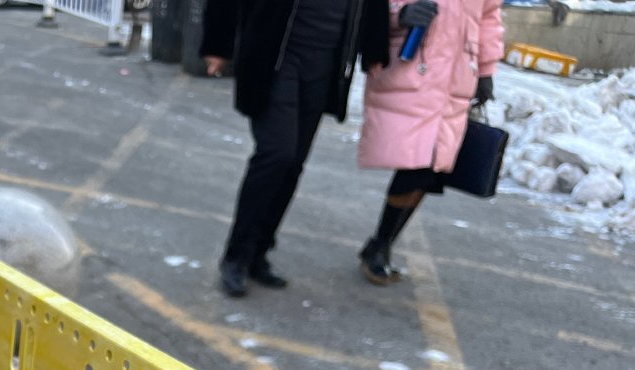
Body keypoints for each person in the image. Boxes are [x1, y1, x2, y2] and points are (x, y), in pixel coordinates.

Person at [202, 0, 389, 297]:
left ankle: (258, 252)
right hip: (275, 55)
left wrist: (375, 49)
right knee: (277, 153)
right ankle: (236, 255)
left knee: (293, 164)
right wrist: (217, 44)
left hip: (326, 61)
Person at [356, 0, 502, 284]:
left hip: (456, 77)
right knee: (417, 165)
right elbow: (371, 7)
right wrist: (400, 14)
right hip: (412, 68)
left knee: (430, 171)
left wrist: (486, 70)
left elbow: (489, 18)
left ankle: (381, 244)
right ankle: (381, 243)